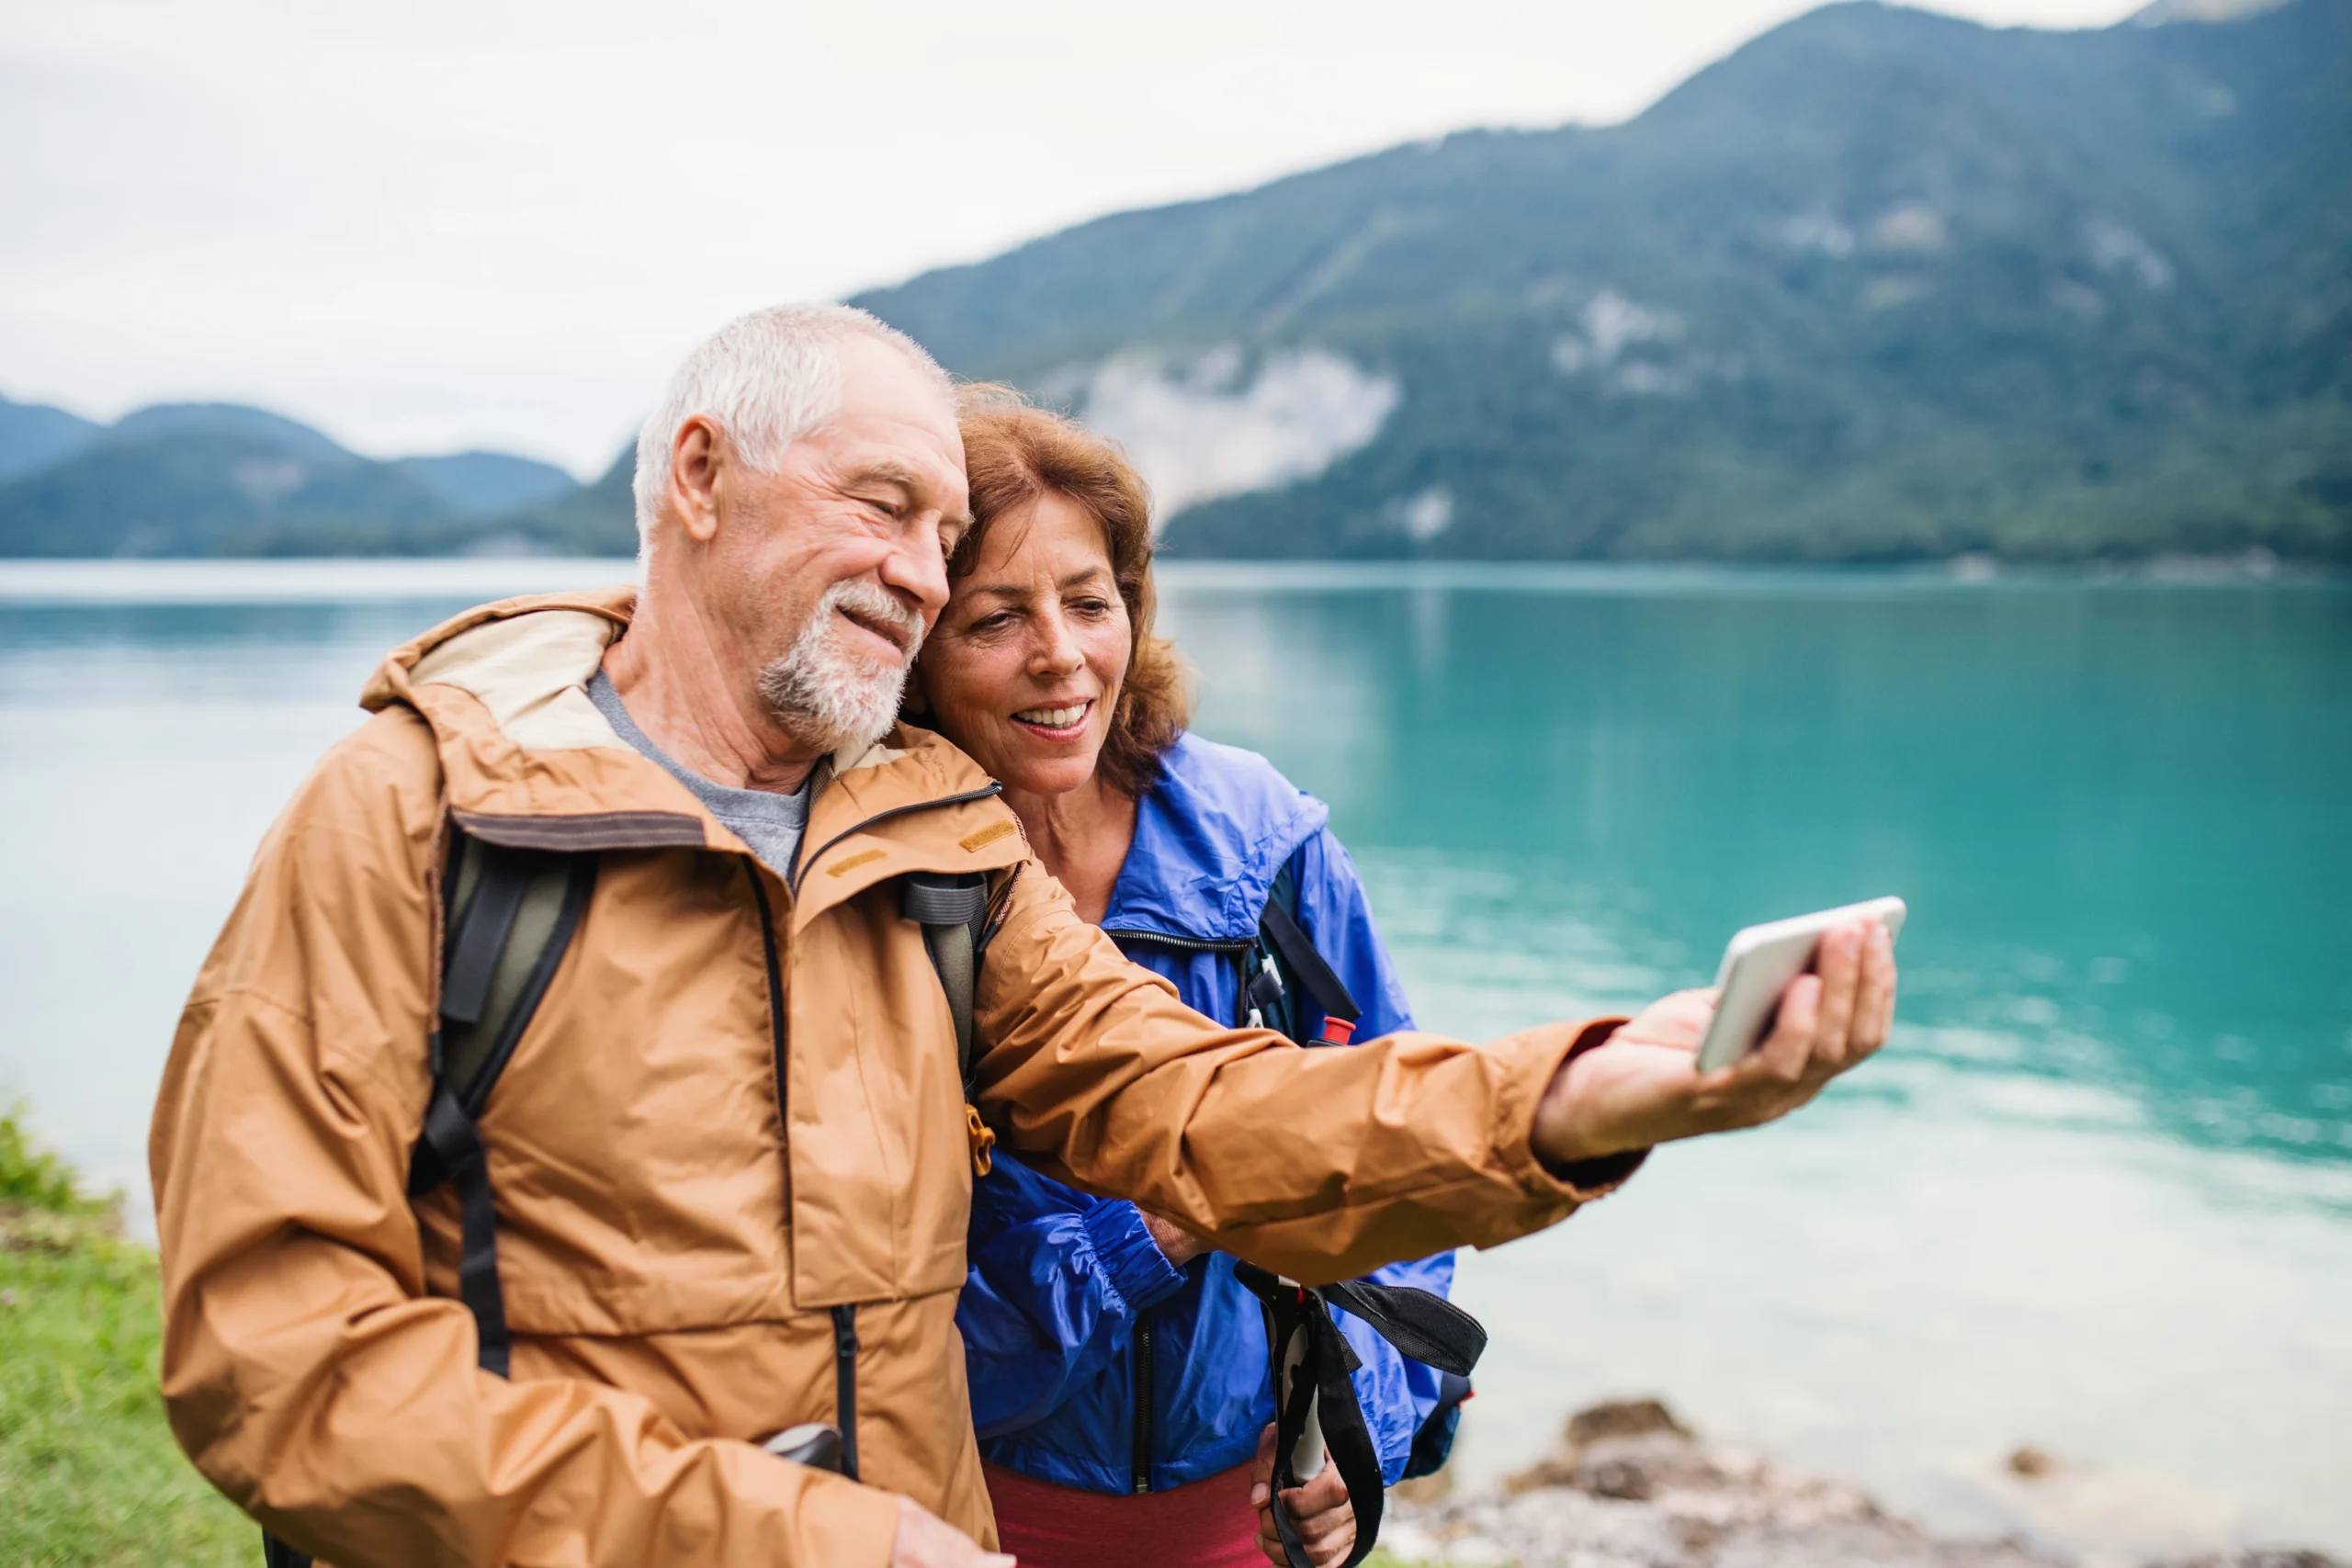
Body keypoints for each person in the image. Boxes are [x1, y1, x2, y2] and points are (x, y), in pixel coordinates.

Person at [148, 303, 1900, 1568]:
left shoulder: (927, 828)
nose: (920, 570)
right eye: (882, 507)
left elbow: (1202, 1109)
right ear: (698, 474)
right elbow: (280, 1362)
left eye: (941, 526)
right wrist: (802, 1540)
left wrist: (1573, 1098)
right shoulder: (411, 819)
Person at [908, 395, 1451, 1568]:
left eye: (1090, 602)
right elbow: (890, 1313)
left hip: (1241, 1522)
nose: (1061, 655)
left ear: (1134, 606)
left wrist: (1367, 1423)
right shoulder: (887, 882)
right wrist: (1157, 1220)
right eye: (995, 617)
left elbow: (1395, 1153)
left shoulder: (1265, 845)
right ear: (913, 645)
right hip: (968, 1517)